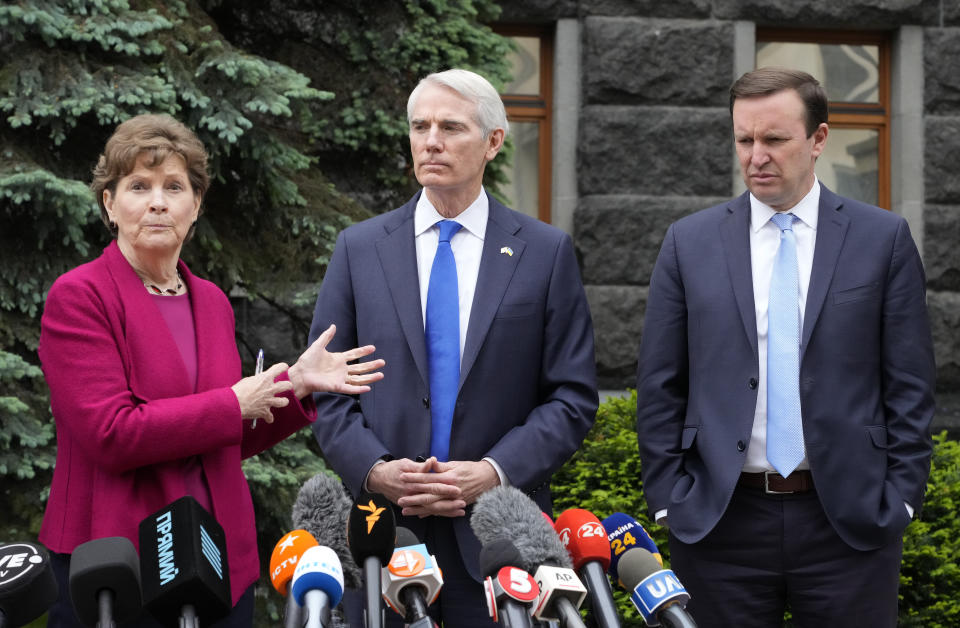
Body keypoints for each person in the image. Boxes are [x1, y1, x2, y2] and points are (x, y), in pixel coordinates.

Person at [38, 113, 384, 627]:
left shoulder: (213, 302)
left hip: (218, 559)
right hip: (118, 565)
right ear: (110, 204)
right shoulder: (81, 296)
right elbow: (110, 433)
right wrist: (233, 403)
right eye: (138, 185)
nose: (158, 201)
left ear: (195, 204)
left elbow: (218, 435)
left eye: (174, 186)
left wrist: (296, 385)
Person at [636, 66, 936, 627]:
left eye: (774, 139)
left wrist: (900, 498)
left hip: (848, 522)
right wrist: (670, 498)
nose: (756, 156)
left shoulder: (881, 239)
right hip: (721, 522)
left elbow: (911, 385)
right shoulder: (689, 242)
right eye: (744, 140)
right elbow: (660, 382)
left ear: (819, 139)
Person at [308, 69, 598, 626]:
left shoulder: (544, 252)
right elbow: (328, 389)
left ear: (493, 141)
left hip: (500, 537)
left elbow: (571, 397)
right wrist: (376, 470)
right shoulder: (360, 249)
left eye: (450, 127)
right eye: (420, 126)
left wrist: (494, 470)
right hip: (384, 532)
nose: (431, 140)